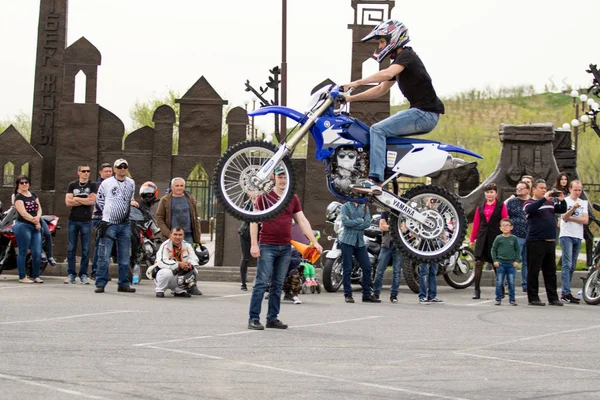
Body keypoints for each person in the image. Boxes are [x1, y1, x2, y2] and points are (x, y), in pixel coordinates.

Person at [343, 19, 444, 195]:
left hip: (424, 113)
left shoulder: (406, 56)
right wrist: (351, 98)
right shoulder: (400, 62)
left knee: (377, 130)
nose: (380, 45)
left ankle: (375, 180)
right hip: (423, 113)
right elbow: (380, 89)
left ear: (394, 38)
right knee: (380, 133)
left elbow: (387, 74)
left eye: (382, 41)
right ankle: (388, 171)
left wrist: (357, 82)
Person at [247, 165, 322, 330]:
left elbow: (302, 220)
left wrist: (313, 241)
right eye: (280, 177)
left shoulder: (292, 198)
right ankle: (253, 318)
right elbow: (253, 221)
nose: (283, 180)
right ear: (274, 177)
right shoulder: (264, 197)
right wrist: (254, 244)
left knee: (278, 284)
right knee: (261, 283)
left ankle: (272, 318)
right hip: (267, 246)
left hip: (285, 247)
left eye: (285, 177)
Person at [94, 158, 138, 294]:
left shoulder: (131, 183)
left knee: (124, 256)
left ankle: (123, 283)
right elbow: (100, 200)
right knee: (104, 256)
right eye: (119, 167)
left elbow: (130, 198)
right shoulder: (107, 183)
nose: (122, 169)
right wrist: (108, 213)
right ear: (115, 169)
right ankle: (100, 283)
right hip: (109, 223)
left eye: (125, 167)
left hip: (124, 224)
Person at [524, 179, 567, 306]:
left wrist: (562, 200)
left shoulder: (550, 203)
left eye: (545, 188)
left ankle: (553, 298)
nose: (544, 190)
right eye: (541, 188)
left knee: (550, 272)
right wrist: (543, 199)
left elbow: (562, 209)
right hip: (535, 241)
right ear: (534, 189)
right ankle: (533, 297)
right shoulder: (529, 202)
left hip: (549, 241)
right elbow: (530, 210)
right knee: (534, 270)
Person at [470, 183, 508, 299]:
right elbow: (476, 223)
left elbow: (505, 221)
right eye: (487, 192)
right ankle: (476, 290)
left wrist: (505, 236)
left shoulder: (501, 206)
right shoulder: (480, 206)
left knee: (496, 264)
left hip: (495, 237)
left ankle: (500, 289)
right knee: (478, 263)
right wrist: (472, 238)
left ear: (496, 193)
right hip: (482, 237)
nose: (489, 194)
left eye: (491, 192)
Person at [339, 201, 380, 304]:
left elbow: (367, 224)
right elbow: (345, 222)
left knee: (367, 267)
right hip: (347, 241)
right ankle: (348, 295)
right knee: (347, 268)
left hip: (360, 242)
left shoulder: (364, 207)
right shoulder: (346, 206)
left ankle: (366, 295)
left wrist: (353, 221)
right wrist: (359, 220)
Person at [64, 164, 97, 284]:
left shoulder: (92, 185)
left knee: (86, 249)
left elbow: (92, 201)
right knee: (71, 248)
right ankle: (71, 274)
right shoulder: (72, 185)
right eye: (83, 171)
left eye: (88, 171)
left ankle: (83, 274)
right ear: (78, 172)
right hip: (73, 219)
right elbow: (68, 202)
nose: (86, 173)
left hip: (86, 220)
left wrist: (76, 198)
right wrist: (84, 200)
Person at [559, 180, 588, 304]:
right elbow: (563, 217)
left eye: (579, 190)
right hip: (567, 235)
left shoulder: (583, 203)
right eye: (575, 189)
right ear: (570, 189)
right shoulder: (565, 201)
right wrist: (572, 210)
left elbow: (585, 220)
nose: (577, 192)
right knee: (567, 264)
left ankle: (567, 291)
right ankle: (565, 292)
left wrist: (571, 218)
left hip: (578, 235)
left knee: (573, 265)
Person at [151, 227, 200, 298]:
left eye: (180, 235)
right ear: (170, 235)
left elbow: (195, 259)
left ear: (183, 236)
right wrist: (178, 264)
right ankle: (160, 290)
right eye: (175, 234)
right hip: (163, 274)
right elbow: (161, 262)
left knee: (194, 271)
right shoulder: (165, 246)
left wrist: (188, 264)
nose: (177, 237)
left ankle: (179, 290)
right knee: (166, 272)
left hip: (178, 274)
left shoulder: (187, 245)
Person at [12, 175, 43, 284]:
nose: (24, 184)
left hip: (35, 226)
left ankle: (36, 276)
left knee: (37, 252)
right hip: (23, 226)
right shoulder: (18, 197)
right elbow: (23, 213)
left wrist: (38, 218)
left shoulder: (33, 195)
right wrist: (35, 221)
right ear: (18, 185)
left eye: (26, 182)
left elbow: (39, 208)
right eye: (22, 183)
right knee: (23, 251)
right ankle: (22, 276)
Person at [156, 178, 201, 245]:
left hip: (187, 236)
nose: (179, 188)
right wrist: (168, 233)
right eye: (177, 186)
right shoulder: (165, 200)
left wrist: (197, 236)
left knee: (188, 255)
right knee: (171, 255)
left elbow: (196, 216)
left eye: (181, 186)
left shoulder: (191, 199)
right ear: (172, 187)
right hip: (171, 236)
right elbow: (159, 218)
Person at [372, 210, 403, 303]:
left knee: (397, 272)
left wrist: (388, 227)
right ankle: (376, 293)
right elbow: (382, 227)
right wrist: (396, 227)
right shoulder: (385, 212)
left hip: (399, 246)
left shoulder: (403, 212)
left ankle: (394, 295)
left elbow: (404, 228)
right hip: (386, 244)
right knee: (379, 270)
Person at [506, 181, 531, 293]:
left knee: (527, 262)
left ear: (527, 190)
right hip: (516, 235)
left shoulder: (532, 202)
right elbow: (505, 213)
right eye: (517, 188)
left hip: (530, 235)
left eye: (521, 188)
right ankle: (509, 284)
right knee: (514, 260)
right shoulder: (512, 202)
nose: (519, 190)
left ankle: (526, 284)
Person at [91, 162, 113, 280]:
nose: (108, 173)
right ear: (101, 173)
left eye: (110, 171)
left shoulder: (114, 184)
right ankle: (96, 271)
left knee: (107, 246)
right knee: (100, 245)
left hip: (112, 219)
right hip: (99, 218)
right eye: (106, 171)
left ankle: (103, 272)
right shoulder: (97, 185)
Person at [491, 219, 521, 306]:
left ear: (511, 227)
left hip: (511, 264)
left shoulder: (514, 239)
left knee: (511, 282)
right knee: (499, 282)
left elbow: (517, 250)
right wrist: (495, 260)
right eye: (503, 225)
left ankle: (512, 299)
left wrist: (516, 261)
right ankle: (498, 298)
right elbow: (493, 249)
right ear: (500, 228)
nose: (505, 227)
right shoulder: (498, 238)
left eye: (507, 225)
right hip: (501, 264)